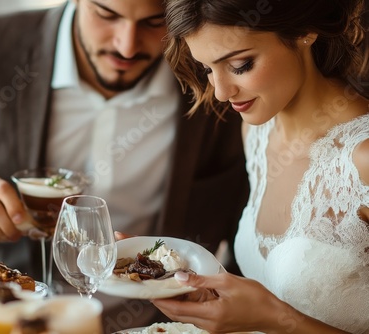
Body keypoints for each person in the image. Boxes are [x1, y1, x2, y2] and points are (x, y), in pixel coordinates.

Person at [0, 0, 249, 331]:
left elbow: (245, 222)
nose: (126, 45)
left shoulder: (213, 70)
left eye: (154, 22)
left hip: (156, 326)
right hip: (8, 317)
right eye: (106, 14)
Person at [152, 0, 369, 333]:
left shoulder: (363, 160)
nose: (222, 92)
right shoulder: (256, 132)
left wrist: (274, 319)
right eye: (208, 69)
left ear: (304, 32)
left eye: (240, 65)